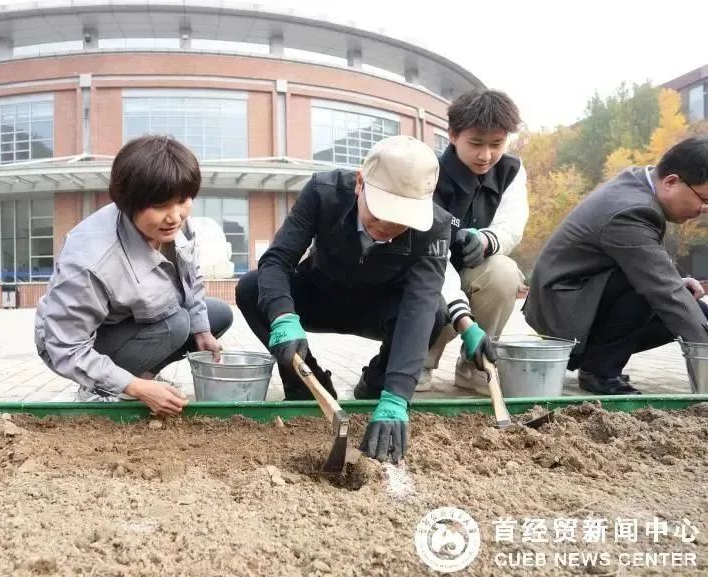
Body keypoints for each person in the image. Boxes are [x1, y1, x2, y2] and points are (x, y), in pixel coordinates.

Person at [235, 135, 497, 462]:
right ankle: (307, 383)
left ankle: (374, 388)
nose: (385, 231)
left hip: (378, 308)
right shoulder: (323, 192)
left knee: (433, 313)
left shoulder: (435, 225)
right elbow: (277, 260)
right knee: (252, 287)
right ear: (360, 183)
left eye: (400, 225)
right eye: (379, 217)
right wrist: (283, 316)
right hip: (319, 295)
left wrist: (398, 394)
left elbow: (420, 302)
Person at [35, 135, 233, 413]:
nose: (175, 216)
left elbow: (192, 277)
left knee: (215, 316)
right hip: (72, 341)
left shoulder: (178, 226)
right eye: (160, 205)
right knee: (176, 323)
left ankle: (139, 374)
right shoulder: (90, 260)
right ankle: (103, 387)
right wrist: (135, 388)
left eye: (183, 200)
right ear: (129, 202)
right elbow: (65, 347)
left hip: (133, 316)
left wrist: (202, 329)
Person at [525, 136, 708, 395]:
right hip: (563, 312)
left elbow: (647, 260)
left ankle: (598, 361)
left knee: (693, 310)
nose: (704, 210)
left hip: (580, 295)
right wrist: (703, 348)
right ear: (671, 182)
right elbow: (660, 286)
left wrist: (678, 283)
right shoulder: (632, 209)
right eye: (704, 200)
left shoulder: (639, 183)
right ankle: (600, 370)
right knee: (654, 291)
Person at [425, 89, 528, 395]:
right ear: (453, 135)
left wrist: (486, 240)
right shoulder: (429, 170)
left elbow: (512, 223)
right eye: (476, 144)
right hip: (429, 266)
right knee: (428, 283)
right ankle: (419, 362)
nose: (486, 156)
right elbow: (426, 251)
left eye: (496, 144)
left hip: (473, 268)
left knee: (504, 272)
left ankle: (475, 365)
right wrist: (461, 316)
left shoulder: (511, 170)